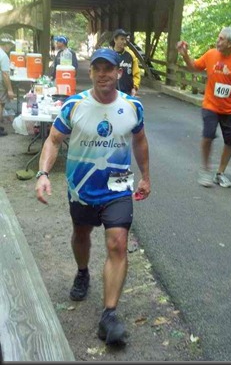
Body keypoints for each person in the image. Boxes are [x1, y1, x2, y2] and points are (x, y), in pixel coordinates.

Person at [35, 47, 150, 345]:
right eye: (97, 68)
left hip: (118, 186)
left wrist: (146, 177)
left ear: (118, 72)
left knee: (118, 242)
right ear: (92, 72)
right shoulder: (74, 105)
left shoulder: (133, 106)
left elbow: (140, 141)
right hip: (81, 189)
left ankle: (109, 315)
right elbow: (53, 140)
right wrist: (43, 174)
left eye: (108, 69)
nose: (103, 74)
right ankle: (83, 272)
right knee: (81, 236)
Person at [177, 27, 231, 188]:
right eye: (218, 38)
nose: (217, 41)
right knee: (208, 136)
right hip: (210, 105)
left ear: (230, 43)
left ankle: (220, 173)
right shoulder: (211, 54)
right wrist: (185, 55)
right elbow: (194, 67)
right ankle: (205, 170)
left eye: (221, 39)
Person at [110, 29, 141, 96]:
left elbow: (136, 73)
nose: (124, 42)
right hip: (111, 94)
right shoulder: (109, 55)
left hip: (128, 93)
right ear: (115, 40)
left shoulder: (131, 54)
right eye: (122, 39)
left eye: (125, 39)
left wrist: (135, 88)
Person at [0, 33, 15, 136]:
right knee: (0, 104)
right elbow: (5, 74)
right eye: (10, 45)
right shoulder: (4, 56)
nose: (10, 47)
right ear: (6, 44)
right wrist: (10, 90)